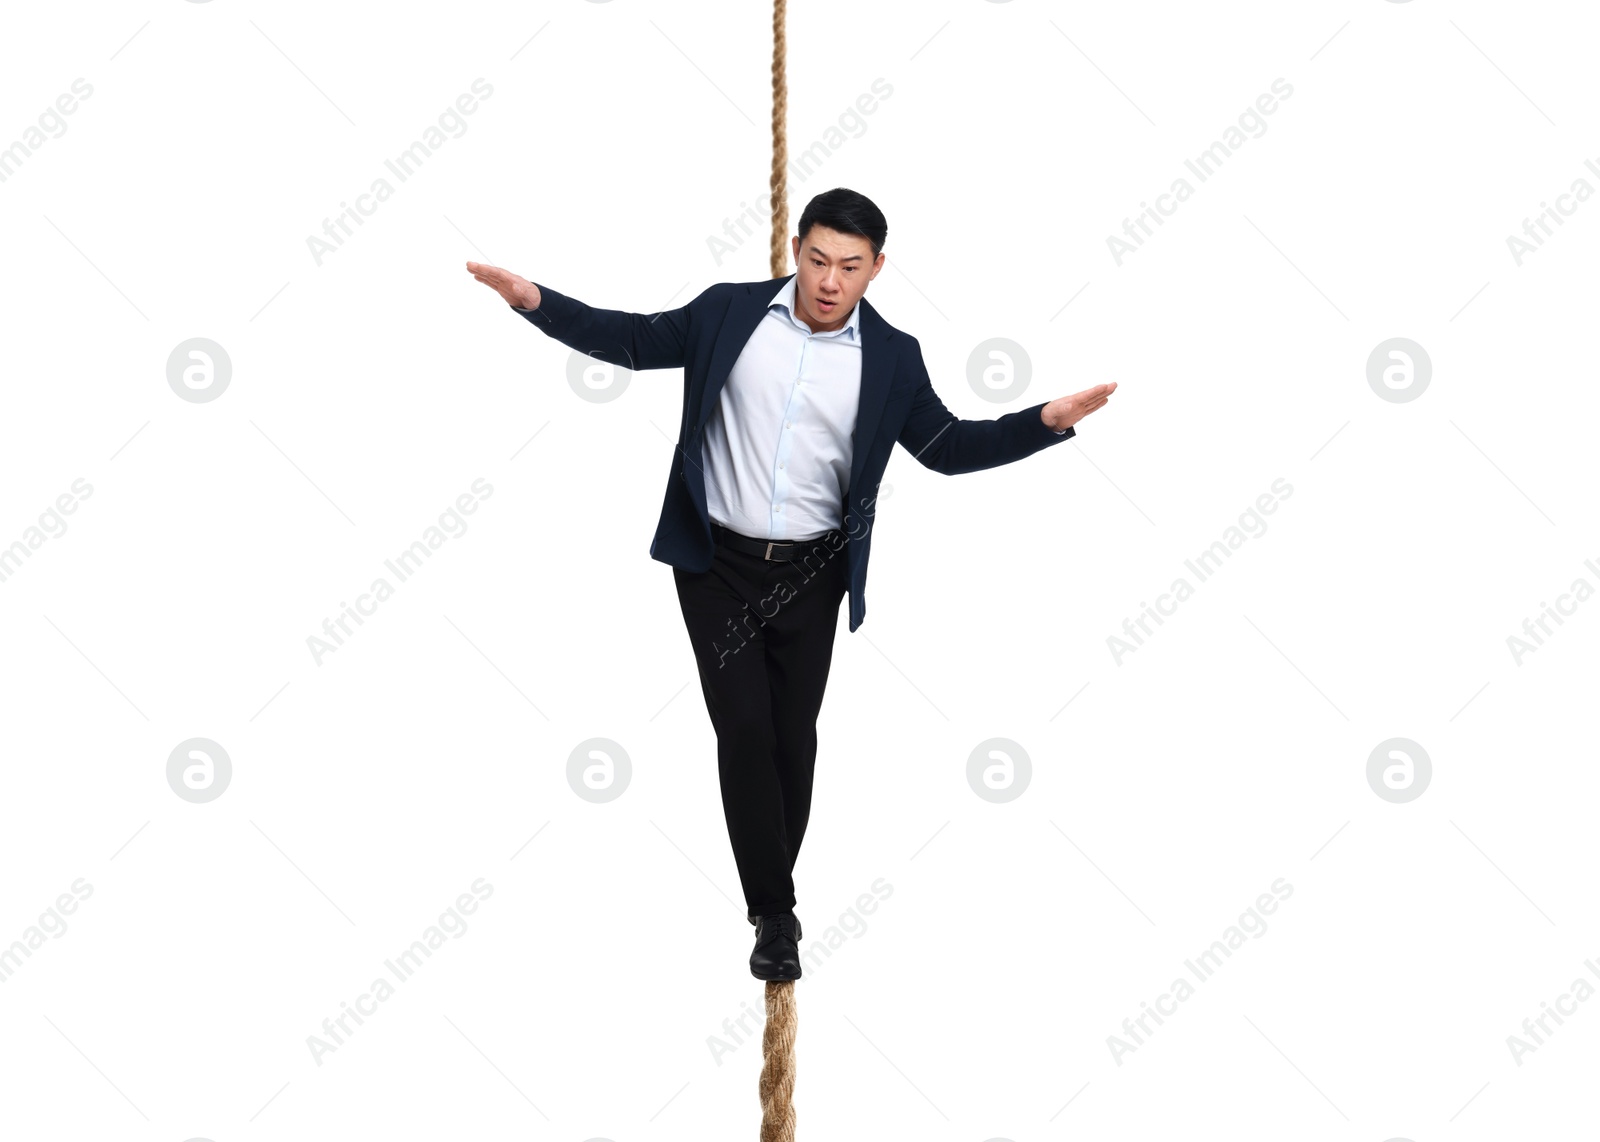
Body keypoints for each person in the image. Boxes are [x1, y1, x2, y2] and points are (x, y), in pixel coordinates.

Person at [467, 187, 1115, 980]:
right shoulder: (728, 314)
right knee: (743, 728)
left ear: (877, 268)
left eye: (849, 266)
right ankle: (775, 913)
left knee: (791, 741)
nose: (829, 280)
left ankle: (771, 884)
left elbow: (944, 446)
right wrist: (535, 301)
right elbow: (633, 342)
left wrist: (1041, 423)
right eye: (816, 260)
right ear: (797, 249)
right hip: (717, 564)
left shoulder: (894, 356)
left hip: (813, 574)